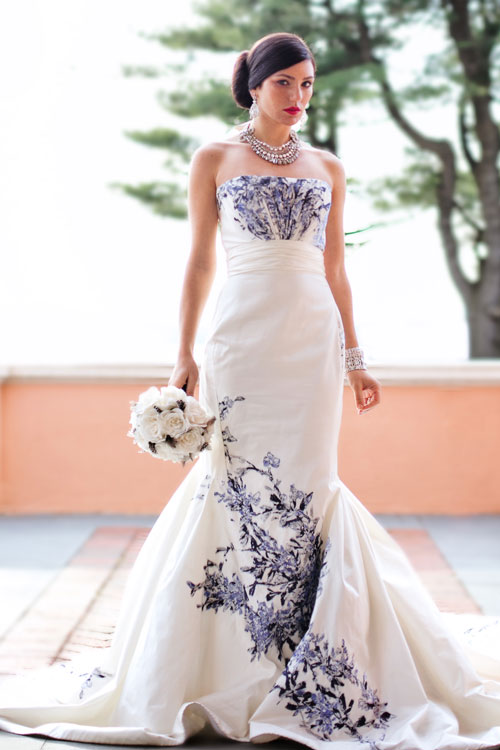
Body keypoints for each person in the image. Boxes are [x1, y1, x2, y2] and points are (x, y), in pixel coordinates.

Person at [0, 30, 500, 750]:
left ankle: (312, 654)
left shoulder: (328, 166)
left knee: (312, 484)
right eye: (285, 83)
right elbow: (199, 262)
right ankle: (231, 659)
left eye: (308, 83)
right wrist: (182, 353)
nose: (298, 97)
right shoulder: (214, 157)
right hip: (240, 339)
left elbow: (336, 269)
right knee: (232, 480)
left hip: (310, 344)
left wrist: (356, 358)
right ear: (255, 86)